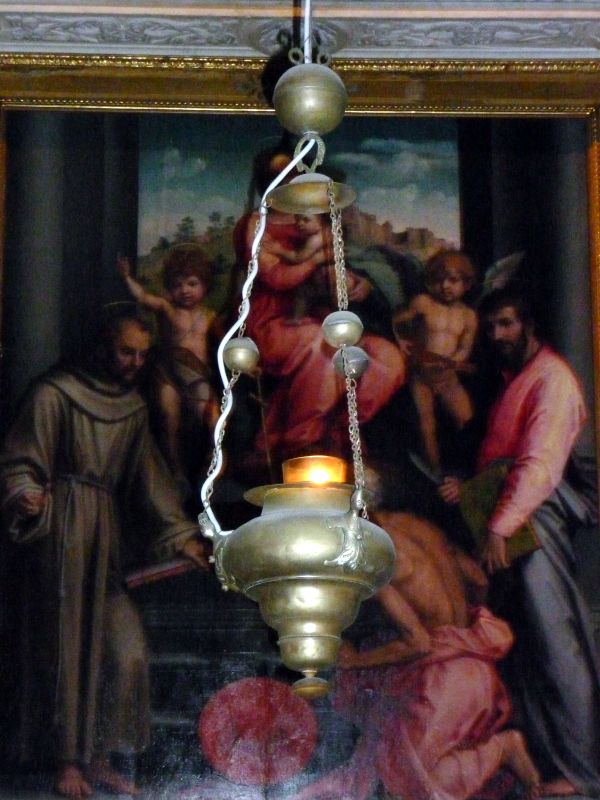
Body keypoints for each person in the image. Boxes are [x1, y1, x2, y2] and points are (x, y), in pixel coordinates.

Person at [0, 310, 209, 799]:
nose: (135, 363)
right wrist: (25, 492)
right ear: (102, 347)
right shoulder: (53, 394)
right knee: (67, 645)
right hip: (61, 533)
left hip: (105, 540)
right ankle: (68, 761)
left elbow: (152, 484)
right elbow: (19, 462)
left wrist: (182, 536)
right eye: (125, 352)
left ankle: (100, 758)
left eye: (142, 355)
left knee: (126, 650)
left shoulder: (132, 410)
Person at [439, 285, 600, 798]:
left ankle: (583, 771)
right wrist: (468, 489)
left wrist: (499, 527)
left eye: (506, 323)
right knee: (526, 646)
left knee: (556, 644)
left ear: (529, 324)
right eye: (490, 327)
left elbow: (539, 465)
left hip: (535, 520)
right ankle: (551, 763)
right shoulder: (516, 380)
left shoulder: (553, 379)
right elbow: (503, 459)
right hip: (514, 519)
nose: (497, 335)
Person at [289, 510, 541, 800]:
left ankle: (504, 748)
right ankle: (498, 750)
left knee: (408, 783)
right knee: (393, 769)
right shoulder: (417, 525)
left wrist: (355, 661)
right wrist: (457, 631)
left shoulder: (374, 562)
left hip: (441, 683)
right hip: (478, 669)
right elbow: (479, 579)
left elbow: (419, 643)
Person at [233, 152, 407, 465]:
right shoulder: (257, 224)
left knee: (385, 359)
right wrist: (315, 260)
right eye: (280, 176)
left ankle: (340, 431)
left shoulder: (322, 216)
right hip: (272, 321)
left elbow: (348, 261)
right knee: (322, 349)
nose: (289, 181)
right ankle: (298, 441)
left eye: (294, 174)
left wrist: (358, 283)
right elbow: (276, 277)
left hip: (321, 318)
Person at [118, 245, 220, 481]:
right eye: (177, 285)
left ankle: (215, 458)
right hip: (169, 374)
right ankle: (173, 467)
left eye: (192, 284)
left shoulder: (210, 317)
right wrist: (126, 278)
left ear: (204, 285)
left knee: (211, 416)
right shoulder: (168, 309)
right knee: (167, 415)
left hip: (197, 376)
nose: (185, 290)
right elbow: (143, 298)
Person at [393, 249, 478, 473]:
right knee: (426, 426)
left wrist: (452, 361)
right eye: (440, 280)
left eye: (453, 280)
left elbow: (464, 348)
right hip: (421, 378)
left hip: (448, 379)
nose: (445, 286)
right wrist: (401, 342)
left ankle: (467, 472)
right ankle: (435, 473)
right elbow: (397, 320)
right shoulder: (424, 303)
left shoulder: (469, 316)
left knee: (467, 420)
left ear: (466, 283)